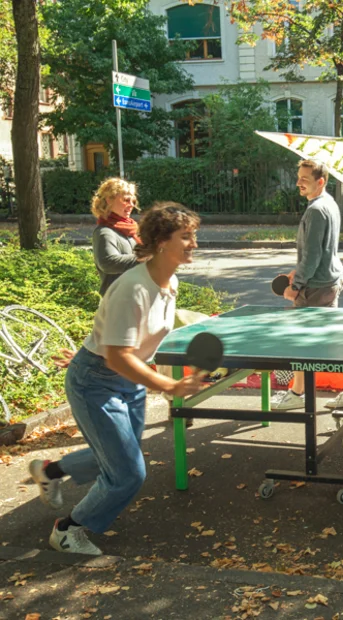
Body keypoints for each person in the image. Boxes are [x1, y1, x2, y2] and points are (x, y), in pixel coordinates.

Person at [28, 202, 204, 556]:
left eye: (194, 235)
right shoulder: (132, 288)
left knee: (117, 455)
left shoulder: (171, 282)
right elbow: (116, 355)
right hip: (96, 382)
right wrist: (168, 386)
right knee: (127, 473)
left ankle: (49, 470)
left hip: (128, 381)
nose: (194, 243)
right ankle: (68, 530)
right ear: (160, 242)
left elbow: (142, 339)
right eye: (185, 236)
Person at [272, 159, 343, 411]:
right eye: (299, 177)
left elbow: (313, 255)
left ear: (320, 181)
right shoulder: (328, 203)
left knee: (305, 341)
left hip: (317, 285)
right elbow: (320, 250)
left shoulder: (315, 210)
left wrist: (296, 285)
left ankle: (298, 393)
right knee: (319, 338)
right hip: (329, 278)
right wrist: (299, 270)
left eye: (305, 179)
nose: (298, 183)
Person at [91, 177, 143, 296]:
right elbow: (107, 262)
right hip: (117, 301)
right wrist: (147, 258)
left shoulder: (133, 229)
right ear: (110, 199)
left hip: (135, 298)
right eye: (126, 200)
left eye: (133, 201)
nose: (131, 205)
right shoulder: (105, 232)